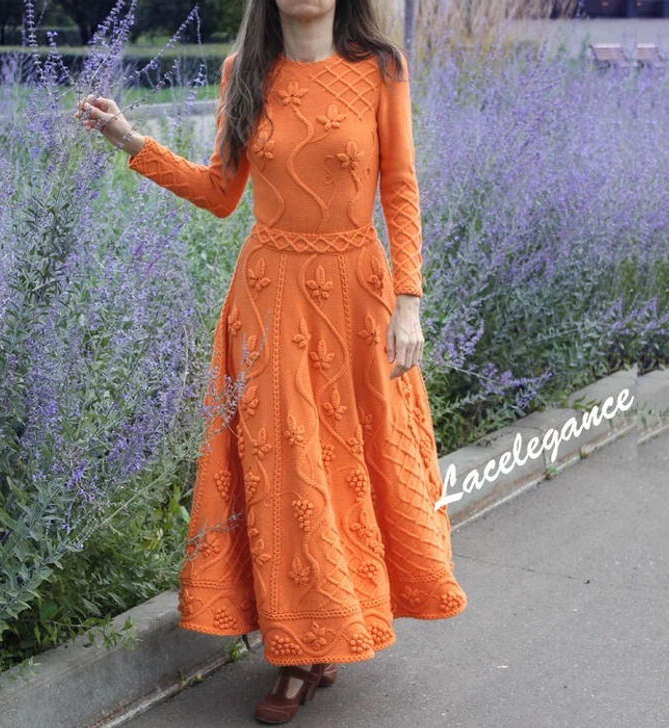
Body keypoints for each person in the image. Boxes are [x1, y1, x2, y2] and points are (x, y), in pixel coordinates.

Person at [76, 0, 467, 723]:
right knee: (287, 472)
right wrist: (131, 140)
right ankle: (297, 652)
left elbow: (400, 188)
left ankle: (329, 631)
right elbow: (221, 193)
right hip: (270, 301)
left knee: (348, 466)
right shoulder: (244, 71)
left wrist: (409, 302)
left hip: (358, 300)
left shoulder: (381, 68)